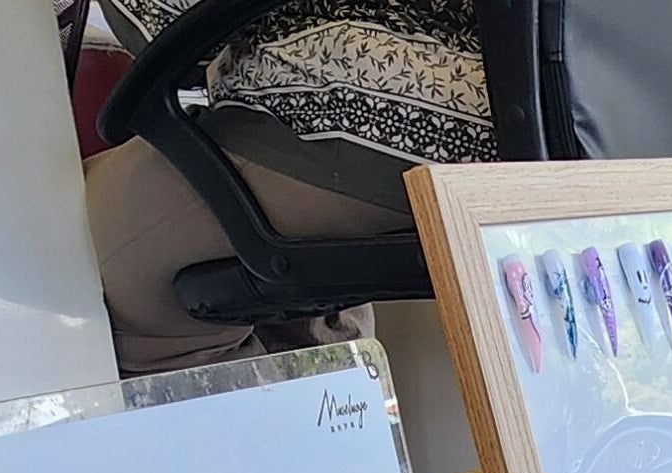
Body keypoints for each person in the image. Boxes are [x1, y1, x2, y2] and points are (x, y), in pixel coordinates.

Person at [86, 1, 492, 373]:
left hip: (388, 116)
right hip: (512, 143)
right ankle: (331, 408)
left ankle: (225, 415)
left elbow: (165, 20)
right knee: (315, 293)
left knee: (78, 239)